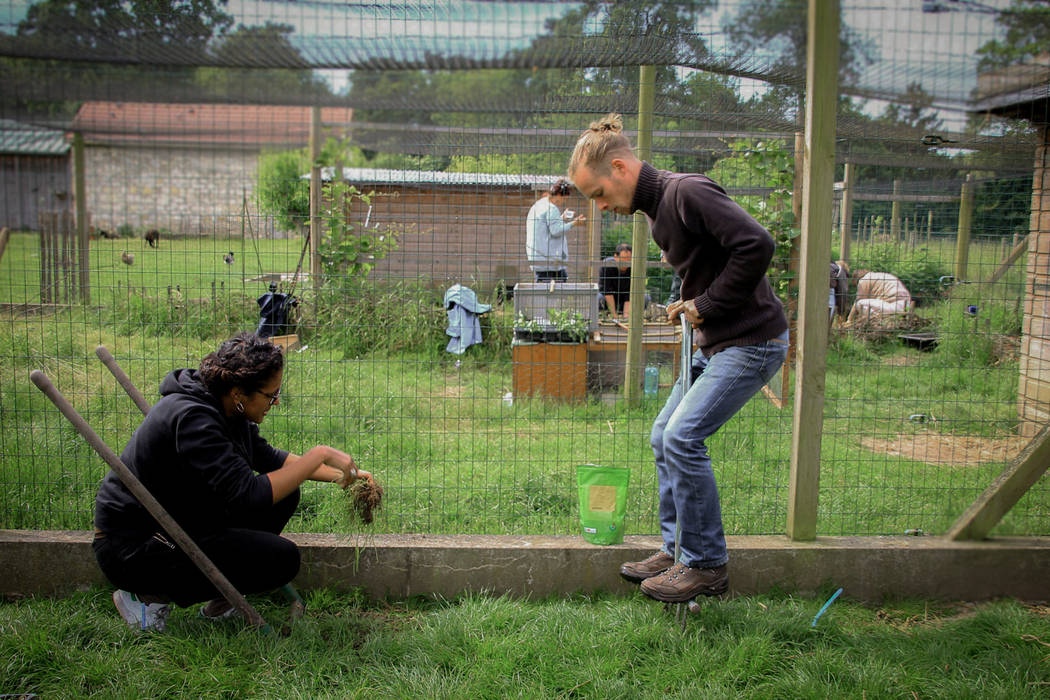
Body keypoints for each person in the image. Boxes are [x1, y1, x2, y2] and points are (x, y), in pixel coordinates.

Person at [568, 114, 789, 603]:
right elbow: (710, 262)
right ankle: (677, 551)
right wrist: (688, 300)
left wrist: (706, 306)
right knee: (661, 435)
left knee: (683, 436)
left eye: (598, 194)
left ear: (621, 167)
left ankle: (707, 566)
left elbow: (757, 244)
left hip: (751, 341)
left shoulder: (686, 191)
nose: (600, 206)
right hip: (714, 344)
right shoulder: (656, 207)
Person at [92, 332, 368, 631]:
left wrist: (344, 477)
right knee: (282, 559)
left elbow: (268, 457)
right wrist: (319, 454)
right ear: (239, 393)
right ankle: (145, 595)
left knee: (286, 492)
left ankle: (223, 598)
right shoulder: (193, 419)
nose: (275, 402)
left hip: (180, 522)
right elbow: (248, 495)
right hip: (135, 548)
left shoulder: (224, 406)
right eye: (270, 395)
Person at [526, 179, 586, 282]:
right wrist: (574, 223)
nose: (563, 202)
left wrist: (561, 218)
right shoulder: (551, 208)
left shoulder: (540, 204)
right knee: (556, 291)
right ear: (559, 195)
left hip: (538, 257)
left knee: (543, 291)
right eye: (564, 199)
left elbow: (546, 226)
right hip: (549, 260)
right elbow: (555, 231)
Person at [846, 269, 911, 326]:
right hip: (906, 306)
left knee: (860, 304)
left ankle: (876, 321)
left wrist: (849, 320)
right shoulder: (879, 275)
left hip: (892, 306)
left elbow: (858, 301)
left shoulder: (864, 280)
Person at [599, 243, 634, 317]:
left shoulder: (634, 267)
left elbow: (630, 294)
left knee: (645, 298)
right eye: (624, 258)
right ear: (616, 257)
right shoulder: (607, 265)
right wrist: (614, 316)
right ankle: (603, 315)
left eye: (629, 258)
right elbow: (607, 291)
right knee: (598, 298)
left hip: (624, 299)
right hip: (607, 298)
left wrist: (626, 318)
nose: (626, 262)